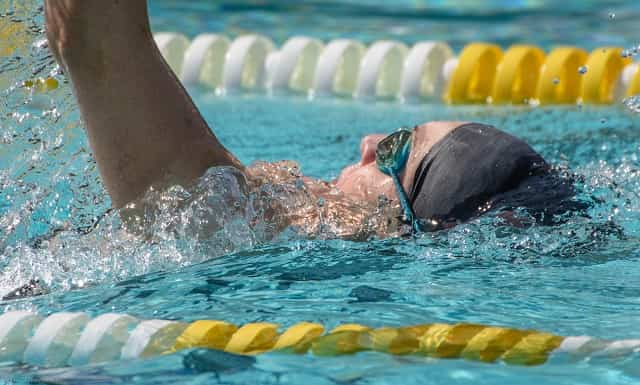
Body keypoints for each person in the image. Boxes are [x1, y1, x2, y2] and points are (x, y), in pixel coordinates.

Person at [43, 0, 576, 240]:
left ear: (405, 217)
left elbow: (89, 36)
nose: (369, 142)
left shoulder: (224, 218)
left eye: (393, 150)